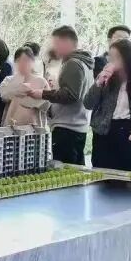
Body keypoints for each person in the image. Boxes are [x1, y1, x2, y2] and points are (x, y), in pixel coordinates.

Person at [83, 38, 131, 171]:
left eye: (115, 57)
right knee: (102, 174)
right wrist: (99, 82)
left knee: (127, 175)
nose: (111, 61)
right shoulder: (105, 78)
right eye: (110, 57)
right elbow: (88, 103)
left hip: (129, 132)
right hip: (104, 132)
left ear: (127, 59)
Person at [27, 26, 93, 165]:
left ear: (66, 42)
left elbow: (70, 94)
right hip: (76, 125)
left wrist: (42, 93)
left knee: (65, 169)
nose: (54, 48)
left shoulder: (73, 63)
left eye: (56, 43)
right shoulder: (83, 62)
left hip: (67, 127)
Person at [0, 46, 50, 127]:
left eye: (27, 60)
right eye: (19, 61)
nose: (23, 64)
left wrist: (36, 96)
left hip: (33, 128)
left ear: (33, 62)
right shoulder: (9, 80)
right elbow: (3, 96)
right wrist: (16, 90)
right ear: (15, 62)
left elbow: (47, 106)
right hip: (10, 126)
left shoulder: (41, 81)